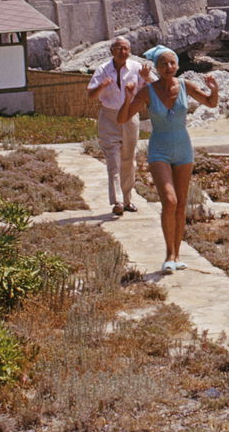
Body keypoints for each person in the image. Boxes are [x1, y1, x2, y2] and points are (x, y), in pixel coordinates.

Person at [118, 47, 219, 273]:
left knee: (182, 204)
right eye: (163, 64)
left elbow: (211, 103)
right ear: (156, 67)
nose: (168, 67)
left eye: (172, 63)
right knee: (170, 201)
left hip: (184, 149)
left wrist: (214, 89)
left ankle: (176, 255)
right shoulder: (147, 91)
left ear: (178, 66)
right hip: (159, 151)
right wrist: (128, 98)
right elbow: (123, 118)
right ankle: (168, 255)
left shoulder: (185, 86)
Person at [87, 37, 153, 215]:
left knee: (128, 160)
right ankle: (116, 201)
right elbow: (91, 94)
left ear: (129, 51)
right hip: (109, 116)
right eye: (118, 48)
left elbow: (154, 87)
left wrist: (146, 78)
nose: (122, 52)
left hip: (130, 116)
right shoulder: (103, 69)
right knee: (112, 159)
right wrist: (103, 85)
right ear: (111, 51)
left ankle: (127, 200)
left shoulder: (137, 68)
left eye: (125, 48)